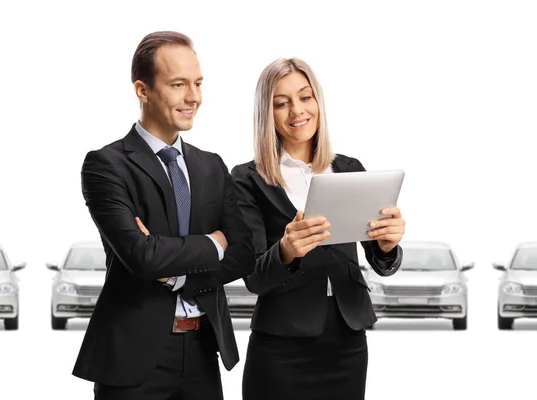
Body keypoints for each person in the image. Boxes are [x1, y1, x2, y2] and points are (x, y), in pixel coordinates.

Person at [72, 31, 255, 400]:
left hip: (203, 350)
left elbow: (245, 253)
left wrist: (175, 274)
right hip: (133, 359)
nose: (194, 97)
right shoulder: (107, 166)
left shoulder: (211, 166)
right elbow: (142, 257)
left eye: (198, 83)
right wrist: (212, 242)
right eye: (178, 84)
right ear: (143, 90)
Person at [231, 58, 406, 400]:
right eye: (281, 103)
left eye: (305, 97)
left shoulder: (349, 168)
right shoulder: (246, 180)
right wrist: (286, 251)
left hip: (347, 338)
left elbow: (381, 261)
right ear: (267, 113)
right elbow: (253, 278)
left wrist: (388, 245)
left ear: (318, 102)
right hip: (281, 344)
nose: (297, 110)